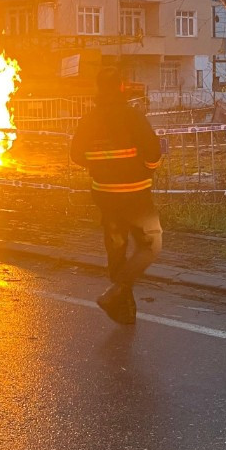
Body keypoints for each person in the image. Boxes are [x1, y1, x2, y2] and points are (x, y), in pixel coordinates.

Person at [70, 67, 163, 325]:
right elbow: (153, 151)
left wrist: (100, 166)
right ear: (122, 87)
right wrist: (147, 170)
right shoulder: (133, 116)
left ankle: (125, 309)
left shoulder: (90, 119)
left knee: (117, 246)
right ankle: (117, 291)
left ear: (99, 89)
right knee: (151, 245)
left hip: (105, 195)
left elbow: (76, 155)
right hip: (136, 194)